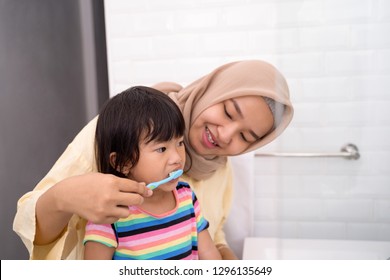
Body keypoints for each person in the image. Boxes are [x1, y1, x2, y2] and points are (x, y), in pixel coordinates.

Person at [13, 60, 294, 260]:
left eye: (246, 137)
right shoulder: (123, 131)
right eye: (229, 112)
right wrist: (65, 196)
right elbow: (31, 223)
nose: (226, 135)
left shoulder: (218, 169)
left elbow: (210, 236)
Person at [83, 86, 221, 260]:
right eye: (161, 148)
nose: (177, 158)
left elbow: (208, 253)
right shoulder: (109, 213)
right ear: (123, 163)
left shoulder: (186, 197)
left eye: (179, 143)